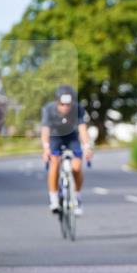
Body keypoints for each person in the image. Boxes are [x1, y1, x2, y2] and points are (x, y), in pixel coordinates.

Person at [41, 85, 93, 215]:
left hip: (71, 137)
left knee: (76, 167)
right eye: (62, 104)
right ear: (57, 102)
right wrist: (46, 148)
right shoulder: (49, 109)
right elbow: (45, 130)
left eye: (68, 104)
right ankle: (54, 200)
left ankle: (77, 197)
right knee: (55, 163)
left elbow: (82, 129)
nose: (65, 107)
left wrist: (87, 147)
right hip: (55, 137)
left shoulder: (77, 109)